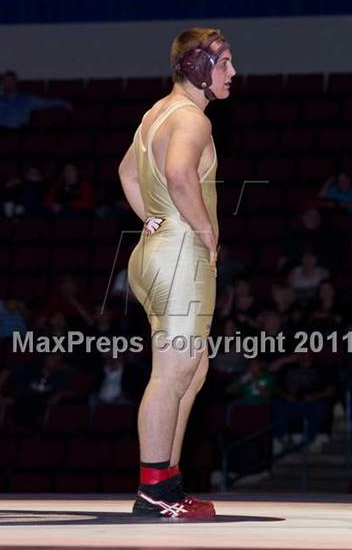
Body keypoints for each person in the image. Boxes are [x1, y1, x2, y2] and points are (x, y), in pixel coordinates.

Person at [118, 27, 235, 518]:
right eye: (224, 62)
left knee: (192, 367)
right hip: (180, 255)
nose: (233, 72)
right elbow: (180, 175)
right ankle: (154, 491)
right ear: (197, 67)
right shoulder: (192, 119)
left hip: (155, 252)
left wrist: (153, 221)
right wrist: (205, 231)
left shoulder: (155, 114)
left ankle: (167, 480)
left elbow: (127, 172)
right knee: (172, 372)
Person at [0, 70, 71, 129]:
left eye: (11, 81)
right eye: (6, 81)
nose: (9, 83)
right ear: (3, 83)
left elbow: (45, 103)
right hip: (0, 134)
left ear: (16, 82)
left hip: (19, 133)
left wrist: (63, 102)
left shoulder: (26, 98)